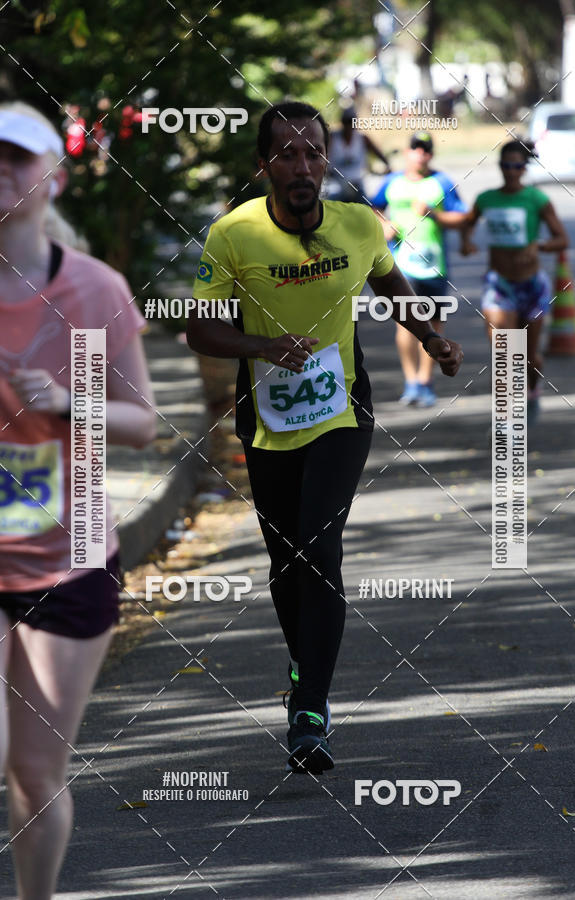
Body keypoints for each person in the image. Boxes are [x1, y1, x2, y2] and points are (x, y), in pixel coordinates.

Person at [187, 101, 463, 775]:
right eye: (287, 154)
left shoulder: (358, 223)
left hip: (342, 409)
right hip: (267, 415)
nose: (303, 165)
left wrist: (431, 336)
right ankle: (303, 666)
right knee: (285, 560)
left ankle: (310, 708)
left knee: (318, 546)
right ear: (264, 167)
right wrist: (261, 347)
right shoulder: (233, 234)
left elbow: (392, 286)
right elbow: (200, 329)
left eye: (313, 152)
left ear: (326, 161)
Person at [0, 102, 156, 899]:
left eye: (17, 158)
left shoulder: (93, 291)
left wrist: (66, 402)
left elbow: (142, 425)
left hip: (69, 557)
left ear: (51, 178)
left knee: (34, 774)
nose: (0, 170)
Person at [460, 138, 569, 421]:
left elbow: (562, 239)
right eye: (506, 166)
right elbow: (467, 223)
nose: (510, 171)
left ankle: (532, 390)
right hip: (499, 285)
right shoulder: (486, 199)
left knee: (529, 358)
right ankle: (506, 418)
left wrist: (539, 245)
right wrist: (466, 242)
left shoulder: (536, 199)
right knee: (504, 353)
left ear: (525, 167)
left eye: (516, 166)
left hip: (532, 285)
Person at [371, 131, 466, 407]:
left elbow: (461, 217)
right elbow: (372, 209)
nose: (420, 154)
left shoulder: (442, 182)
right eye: (415, 148)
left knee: (434, 325)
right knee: (406, 323)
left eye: (425, 149)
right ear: (406, 152)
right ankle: (411, 381)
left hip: (435, 266)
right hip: (402, 266)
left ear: (431, 154)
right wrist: (384, 224)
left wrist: (434, 214)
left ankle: (425, 381)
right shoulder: (392, 182)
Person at [325, 106, 391, 202]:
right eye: (347, 121)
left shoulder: (362, 138)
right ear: (342, 122)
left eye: (352, 122)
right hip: (337, 182)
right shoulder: (333, 138)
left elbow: (378, 153)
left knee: (367, 204)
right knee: (330, 201)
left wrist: (388, 165)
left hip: (358, 182)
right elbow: (322, 156)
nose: (350, 125)